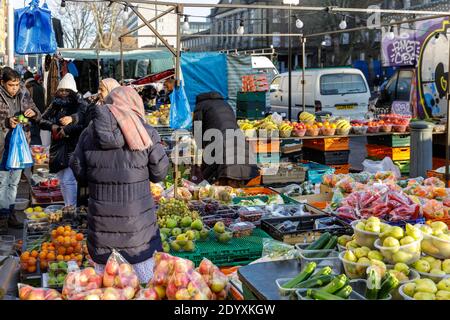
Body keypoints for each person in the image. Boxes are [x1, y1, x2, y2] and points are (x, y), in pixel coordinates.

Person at [70, 86, 169, 283]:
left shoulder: (89, 134)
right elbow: (159, 174)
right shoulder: (146, 132)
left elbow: (79, 172)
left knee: (108, 290)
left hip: (102, 231)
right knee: (142, 289)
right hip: (139, 233)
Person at [0, 67, 41, 228]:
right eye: (11, 85)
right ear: (2, 83)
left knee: (14, 182)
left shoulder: (24, 94)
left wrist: (33, 114)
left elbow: (38, 113)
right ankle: (2, 218)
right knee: (2, 182)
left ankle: (9, 215)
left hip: (19, 146)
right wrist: (6, 122)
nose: (15, 88)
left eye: (17, 84)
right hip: (2, 146)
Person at [39, 73, 87, 208]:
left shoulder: (81, 103)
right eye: (62, 90)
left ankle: (71, 208)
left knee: (68, 180)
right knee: (62, 179)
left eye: (67, 90)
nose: (64, 93)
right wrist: (53, 126)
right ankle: (68, 206)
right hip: (57, 147)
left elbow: (84, 122)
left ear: (73, 91)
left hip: (73, 147)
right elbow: (42, 120)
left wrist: (70, 122)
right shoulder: (55, 104)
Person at [193, 92, 259, 187]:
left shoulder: (200, 106)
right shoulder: (226, 104)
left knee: (217, 179)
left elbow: (198, 133)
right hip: (240, 141)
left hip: (220, 143)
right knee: (237, 181)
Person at [23, 71, 46, 145]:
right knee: (37, 136)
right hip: (39, 115)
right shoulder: (41, 87)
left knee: (32, 140)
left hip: (31, 117)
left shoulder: (28, 87)